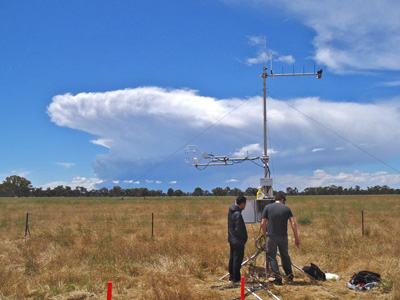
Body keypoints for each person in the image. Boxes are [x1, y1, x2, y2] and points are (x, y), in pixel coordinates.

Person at [261, 193, 300, 285]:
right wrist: (296, 238)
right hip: (283, 237)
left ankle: (277, 278)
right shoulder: (286, 208)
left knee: (271, 256)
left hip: (271, 236)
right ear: (282, 200)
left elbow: (263, 223)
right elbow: (293, 223)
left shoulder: (267, 207)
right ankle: (289, 275)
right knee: (285, 256)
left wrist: (265, 234)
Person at [228, 195, 248, 285]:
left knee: (232, 259)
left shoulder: (231, 212)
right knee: (237, 260)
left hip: (232, 239)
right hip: (238, 241)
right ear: (243, 203)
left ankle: (231, 277)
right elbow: (238, 229)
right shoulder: (238, 214)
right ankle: (236, 279)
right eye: (245, 204)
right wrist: (244, 238)